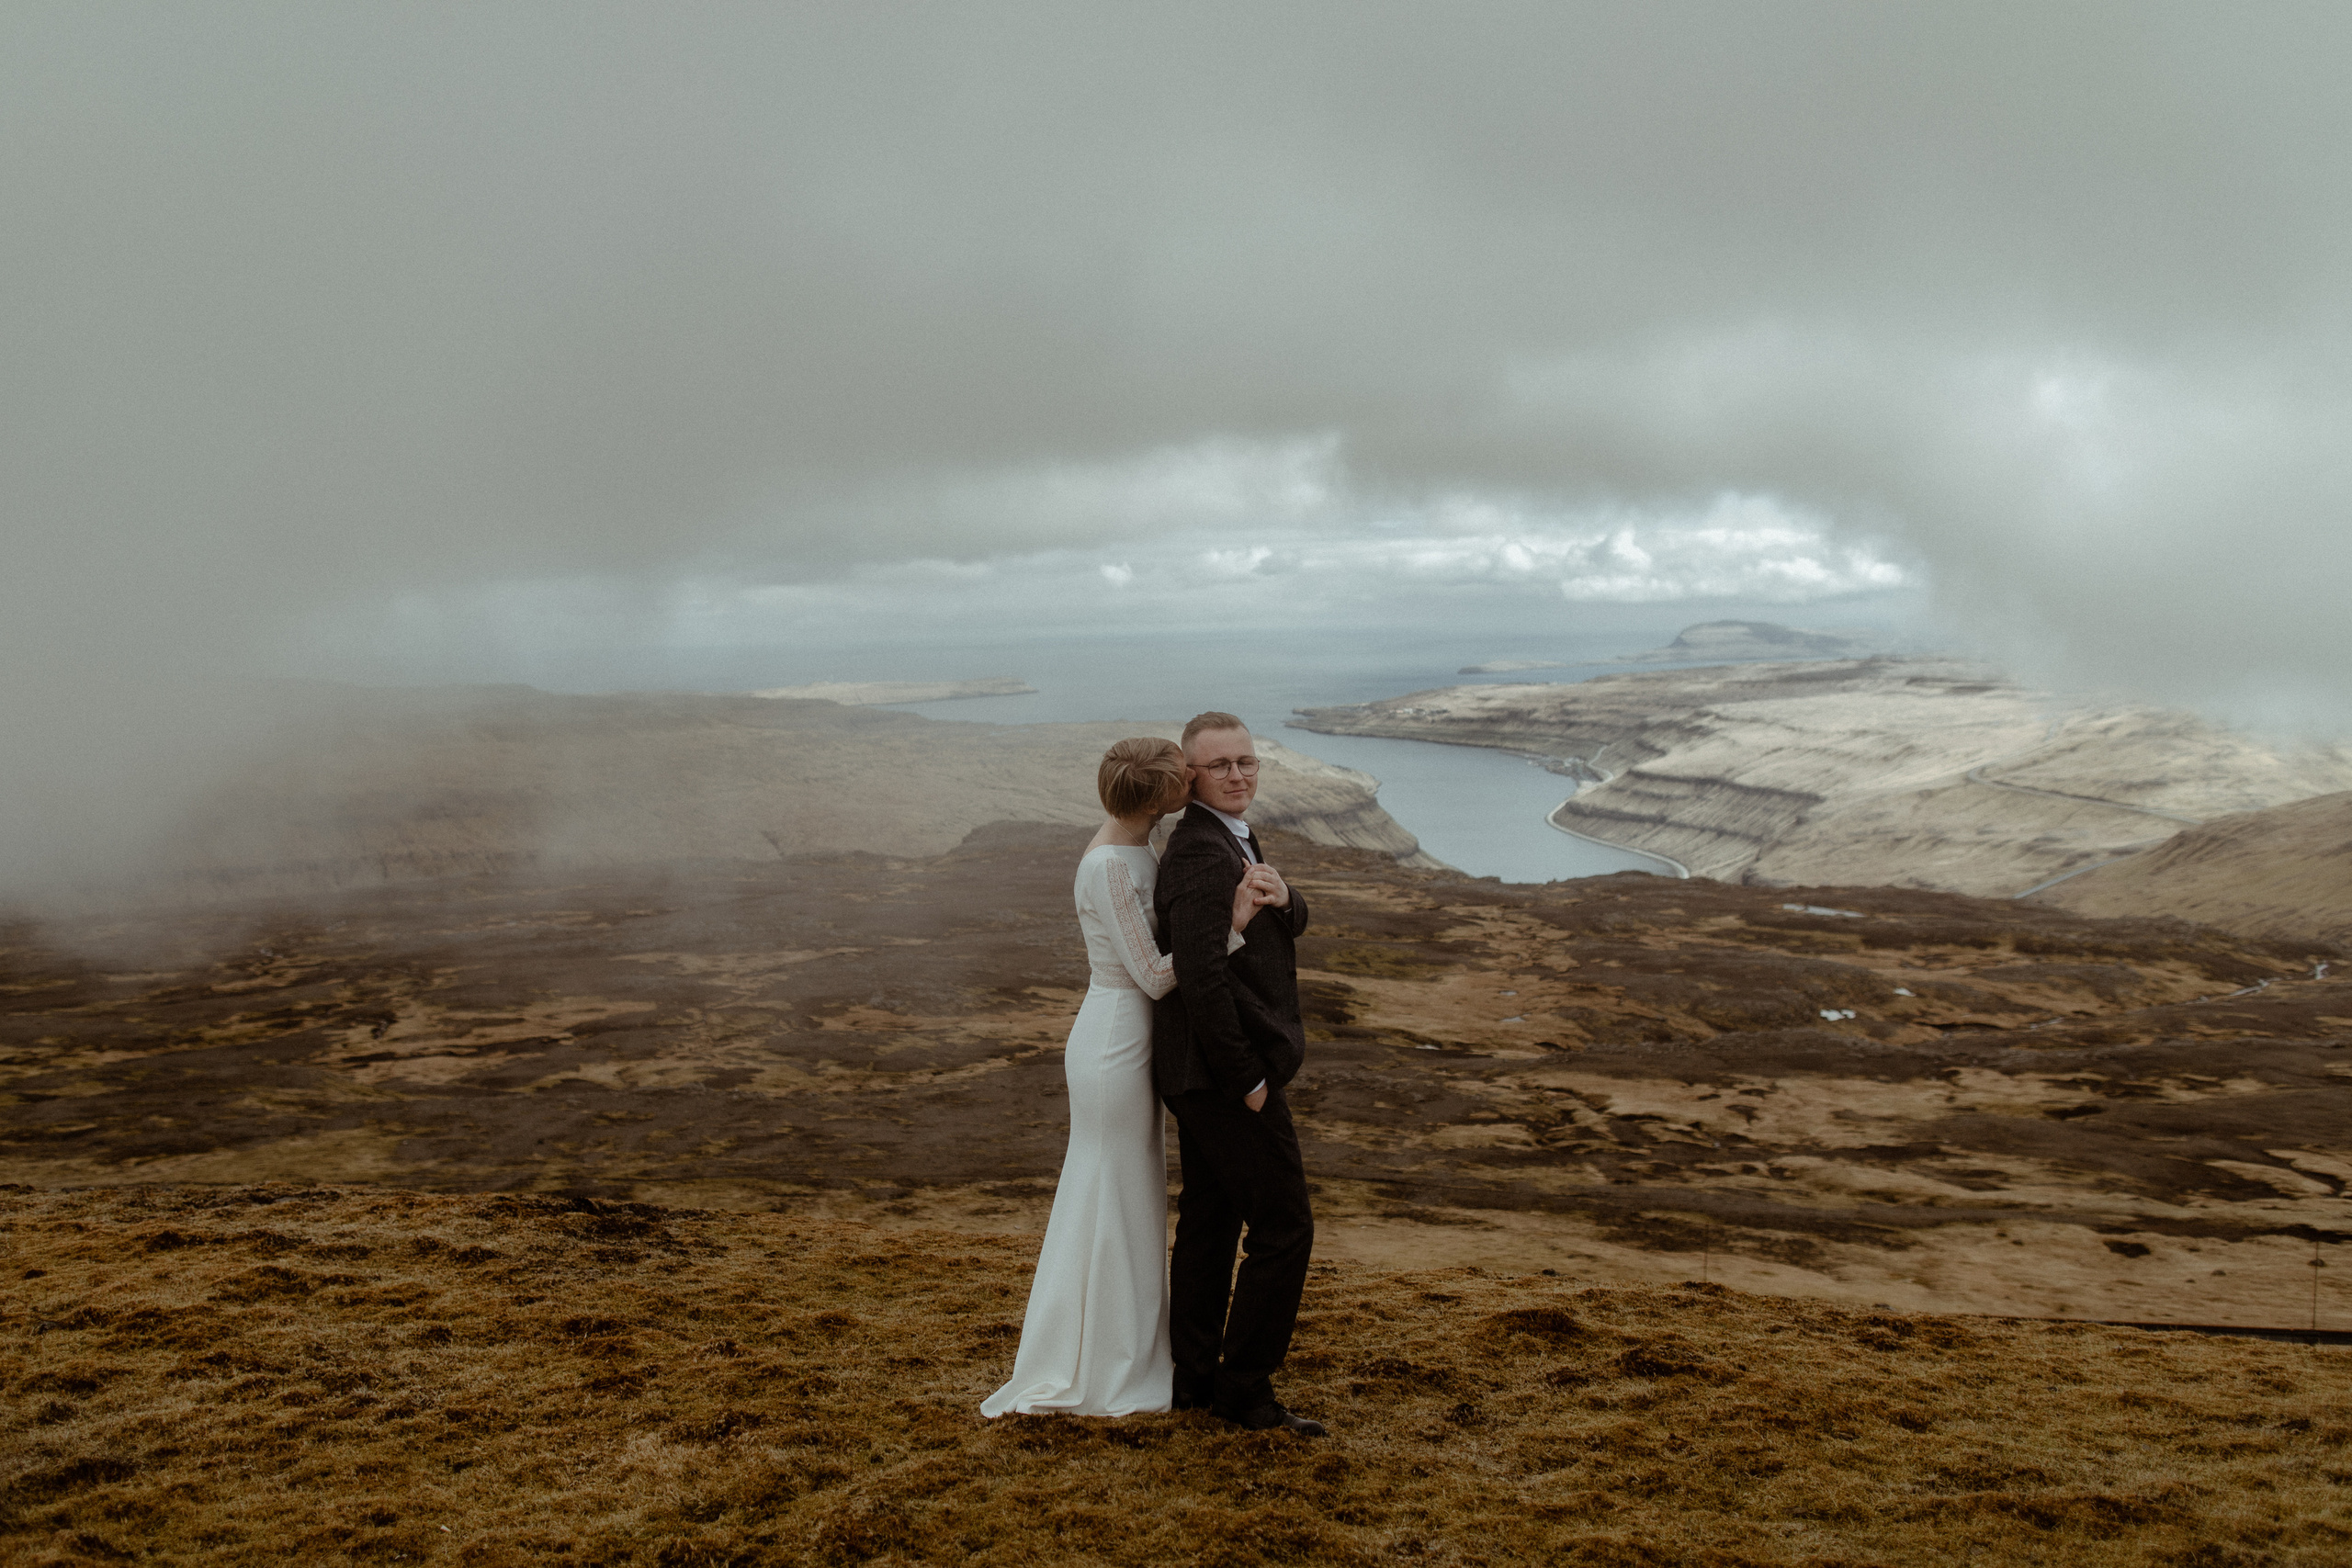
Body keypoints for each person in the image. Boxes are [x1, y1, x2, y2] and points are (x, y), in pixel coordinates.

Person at [980, 738, 1270, 1418]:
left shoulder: (1136, 842)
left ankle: (1128, 1348)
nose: (1192, 782)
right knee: (1109, 1190)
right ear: (1154, 800)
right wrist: (1227, 927)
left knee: (1127, 1191)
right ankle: (1100, 1362)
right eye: (1179, 780)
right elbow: (1154, 975)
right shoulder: (1112, 864)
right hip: (1117, 1041)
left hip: (1133, 1037)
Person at [1151, 712, 1324, 1436]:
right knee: (1284, 1226)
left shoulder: (1232, 835)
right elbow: (1200, 978)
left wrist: (1289, 898)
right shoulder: (1200, 852)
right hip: (1222, 1078)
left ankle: (1194, 1379)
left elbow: (1275, 923)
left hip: (1206, 1076)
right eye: (1219, 765)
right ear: (1189, 776)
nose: (1236, 775)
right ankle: (1245, 1389)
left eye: (1246, 761)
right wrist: (1248, 1080)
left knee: (1212, 1221)